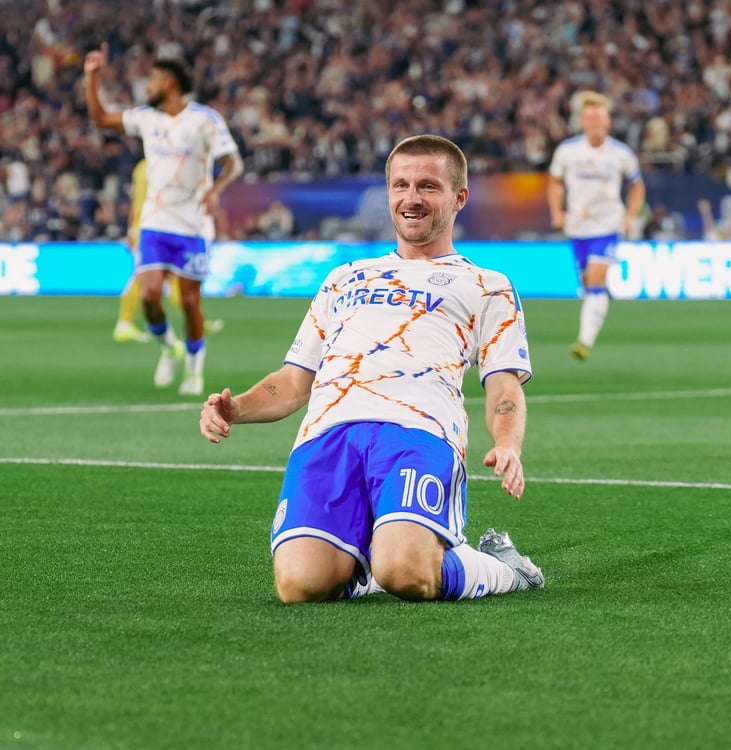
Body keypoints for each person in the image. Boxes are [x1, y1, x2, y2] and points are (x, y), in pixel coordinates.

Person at [199, 134, 544, 603]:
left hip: (418, 432)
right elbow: (294, 382)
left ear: (459, 197)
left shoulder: (488, 285)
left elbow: (504, 384)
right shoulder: (344, 278)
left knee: (408, 574)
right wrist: (236, 408)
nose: (411, 198)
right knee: (300, 586)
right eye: (401, 185)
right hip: (328, 435)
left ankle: (504, 568)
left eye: (428, 186)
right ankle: (368, 558)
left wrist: (507, 444)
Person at [84, 43, 243, 394]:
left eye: (153, 80)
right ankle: (169, 347)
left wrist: (216, 190)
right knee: (150, 295)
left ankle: (195, 369)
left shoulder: (204, 120)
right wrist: (91, 78)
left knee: (189, 301)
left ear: (169, 83)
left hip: (193, 224)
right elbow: (100, 119)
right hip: (155, 222)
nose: (148, 86)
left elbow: (234, 163)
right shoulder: (147, 117)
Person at [547, 90, 646, 360]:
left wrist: (631, 215)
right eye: (589, 118)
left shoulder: (621, 153)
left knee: (595, 279)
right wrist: (557, 211)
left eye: (599, 118)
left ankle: (584, 341)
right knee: (587, 283)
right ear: (582, 121)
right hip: (577, 225)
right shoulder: (567, 151)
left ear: (608, 121)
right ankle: (601, 298)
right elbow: (554, 183)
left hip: (607, 224)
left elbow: (637, 185)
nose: (594, 123)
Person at [112, 158, 224, 343]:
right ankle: (124, 323)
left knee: (172, 279)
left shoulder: (142, 167)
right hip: (155, 229)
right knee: (143, 278)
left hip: (147, 228)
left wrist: (131, 229)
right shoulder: (162, 167)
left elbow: (135, 201)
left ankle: (197, 320)